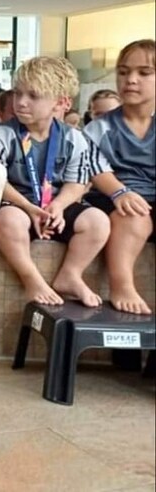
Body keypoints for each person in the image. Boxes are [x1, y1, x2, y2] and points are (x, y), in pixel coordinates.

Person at [0, 56, 110, 307]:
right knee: (8, 220)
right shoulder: (2, 134)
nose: (21, 102)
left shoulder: (74, 138)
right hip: (18, 205)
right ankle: (31, 279)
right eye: (18, 93)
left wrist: (58, 206)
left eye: (33, 96)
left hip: (55, 207)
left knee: (98, 221)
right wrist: (29, 207)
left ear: (60, 102)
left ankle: (70, 274)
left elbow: (76, 182)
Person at [84, 39, 155, 315]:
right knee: (134, 215)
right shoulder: (101, 127)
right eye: (124, 72)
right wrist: (119, 191)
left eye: (144, 73)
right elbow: (93, 166)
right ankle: (121, 285)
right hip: (115, 198)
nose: (131, 80)